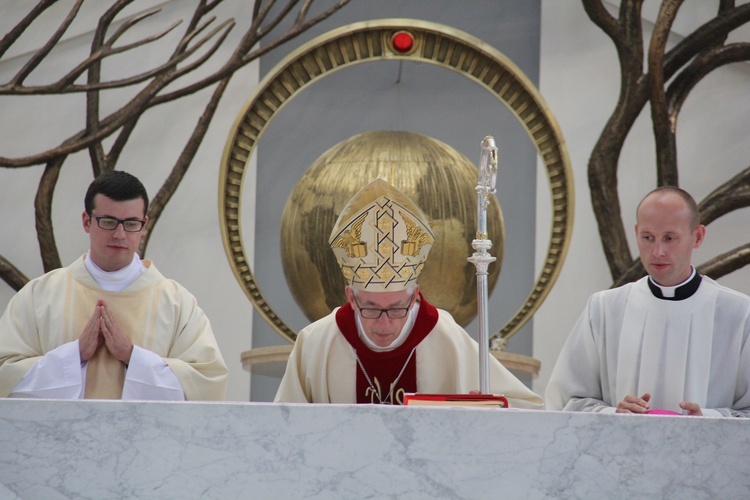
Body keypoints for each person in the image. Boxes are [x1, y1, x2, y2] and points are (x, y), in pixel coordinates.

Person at [274, 178, 542, 407]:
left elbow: (527, 410)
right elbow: (281, 426)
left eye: (396, 308)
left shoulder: (447, 339)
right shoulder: (316, 344)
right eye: (371, 307)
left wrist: (482, 411)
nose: (384, 322)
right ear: (350, 298)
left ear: (415, 297)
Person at [0, 170, 228, 400]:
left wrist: (131, 357)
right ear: (87, 221)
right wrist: (74, 355)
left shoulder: (178, 303)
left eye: (130, 223)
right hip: (57, 436)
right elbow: (4, 376)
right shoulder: (40, 295)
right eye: (108, 222)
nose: (119, 234)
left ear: (144, 225)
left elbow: (207, 386)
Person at [546, 186, 750, 417]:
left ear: (698, 236)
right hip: (618, 451)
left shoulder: (739, 314)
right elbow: (566, 403)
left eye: (670, 238)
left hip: (707, 453)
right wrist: (613, 414)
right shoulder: (604, 309)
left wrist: (709, 420)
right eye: (648, 238)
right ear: (636, 233)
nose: (658, 251)